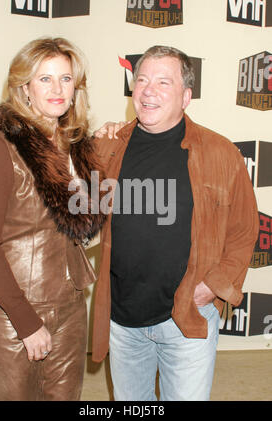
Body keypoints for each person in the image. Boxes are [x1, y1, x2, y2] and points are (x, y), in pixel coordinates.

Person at [91, 45, 259, 401]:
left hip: (187, 318)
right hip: (123, 318)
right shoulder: (108, 146)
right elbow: (79, 211)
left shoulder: (220, 153)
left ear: (186, 96)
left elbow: (245, 229)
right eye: (142, 80)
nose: (148, 90)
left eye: (163, 82)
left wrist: (213, 285)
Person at [0, 37, 107, 401]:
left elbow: (81, 224)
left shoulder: (76, 147)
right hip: (14, 314)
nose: (57, 89)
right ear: (24, 87)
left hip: (71, 308)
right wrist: (26, 321)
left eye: (66, 79)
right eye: (44, 79)